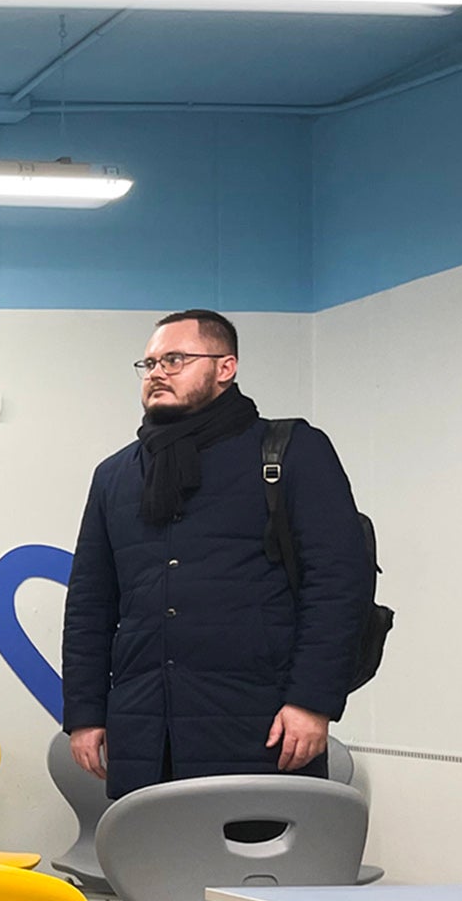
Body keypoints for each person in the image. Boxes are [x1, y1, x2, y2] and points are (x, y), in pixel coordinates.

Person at [62, 310, 371, 802]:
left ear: (225, 368)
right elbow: (89, 605)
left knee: (258, 873)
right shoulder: (115, 475)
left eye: (176, 359)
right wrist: (84, 715)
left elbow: (338, 586)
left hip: (263, 725)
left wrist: (313, 703)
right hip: (146, 730)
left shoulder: (292, 451)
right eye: (149, 363)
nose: (158, 372)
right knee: (154, 872)